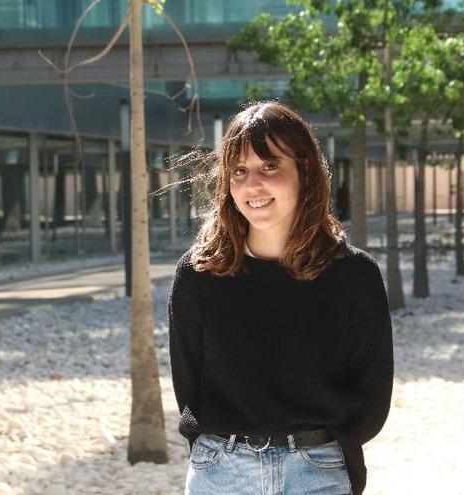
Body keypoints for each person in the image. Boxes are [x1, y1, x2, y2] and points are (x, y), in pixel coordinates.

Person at [168, 101, 393, 495]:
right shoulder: (198, 274)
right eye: (240, 171)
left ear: (305, 171)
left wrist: (323, 449)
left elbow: (372, 399)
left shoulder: (354, 276)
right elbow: (188, 384)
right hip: (220, 475)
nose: (253, 185)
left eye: (270, 166)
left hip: (317, 473)